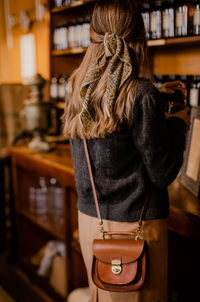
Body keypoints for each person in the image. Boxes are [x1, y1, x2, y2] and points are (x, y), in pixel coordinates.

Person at [62, 0, 190, 301]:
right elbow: (162, 174)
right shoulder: (141, 94)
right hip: (137, 228)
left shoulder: (77, 87)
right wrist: (176, 124)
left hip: (92, 223)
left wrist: (155, 103)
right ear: (139, 37)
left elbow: (114, 117)